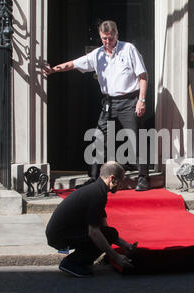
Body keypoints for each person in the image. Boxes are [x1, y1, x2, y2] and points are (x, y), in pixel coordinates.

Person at [43, 20, 149, 191]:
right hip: (109, 103)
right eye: (104, 39)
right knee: (99, 139)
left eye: (110, 38)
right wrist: (53, 70)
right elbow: (74, 64)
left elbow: (143, 76)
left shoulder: (129, 49)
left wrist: (141, 100)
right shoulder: (97, 54)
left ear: (116, 35)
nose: (107, 42)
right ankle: (94, 178)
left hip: (129, 101)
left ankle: (143, 178)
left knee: (136, 139)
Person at [45, 161, 135, 277]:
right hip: (59, 236)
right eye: (121, 181)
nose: (121, 185)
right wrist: (116, 257)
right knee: (104, 235)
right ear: (112, 179)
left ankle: (81, 261)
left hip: (63, 232)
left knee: (109, 233)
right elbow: (94, 232)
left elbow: (104, 227)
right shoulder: (97, 194)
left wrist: (125, 245)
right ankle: (72, 263)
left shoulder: (97, 189)